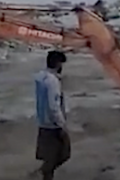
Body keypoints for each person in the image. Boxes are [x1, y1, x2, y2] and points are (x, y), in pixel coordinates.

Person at [34, 50, 71, 180]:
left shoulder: (40, 77)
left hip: (42, 122)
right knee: (64, 153)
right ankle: (44, 171)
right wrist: (61, 125)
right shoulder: (53, 81)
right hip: (53, 125)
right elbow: (53, 105)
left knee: (49, 155)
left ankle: (45, 172)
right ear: (58, 64)